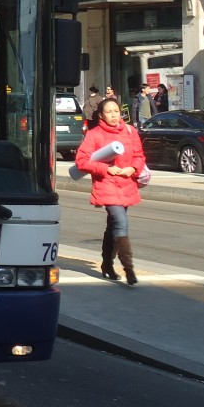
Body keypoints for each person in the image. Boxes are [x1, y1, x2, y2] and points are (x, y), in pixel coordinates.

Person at [74, 97, 145, 285]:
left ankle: (107, 264)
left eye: (116, 111)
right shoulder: (94, 135)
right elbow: (82, 161)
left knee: (113, 226)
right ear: (101, 115)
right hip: (106, 184)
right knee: (121, 222)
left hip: (127, 183)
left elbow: (139, 155)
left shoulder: (130, 131)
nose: (114, 115)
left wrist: (133, 169)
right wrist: (106, 169)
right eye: (109, 112)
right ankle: (129, 269)